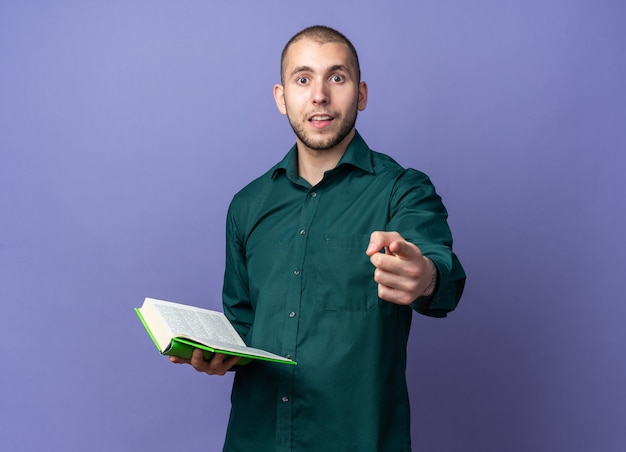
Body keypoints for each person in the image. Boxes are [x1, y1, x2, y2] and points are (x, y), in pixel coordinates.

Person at [171, 25, 466, 451]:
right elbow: (242, 326)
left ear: (361, 94)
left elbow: (441, 273)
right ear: (281, 97)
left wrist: (426, 277)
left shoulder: (403, 190)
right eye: (303, 79)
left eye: (337, 78)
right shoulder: (247, 206)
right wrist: (217, 353)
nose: (320, 95)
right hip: (256, 440)